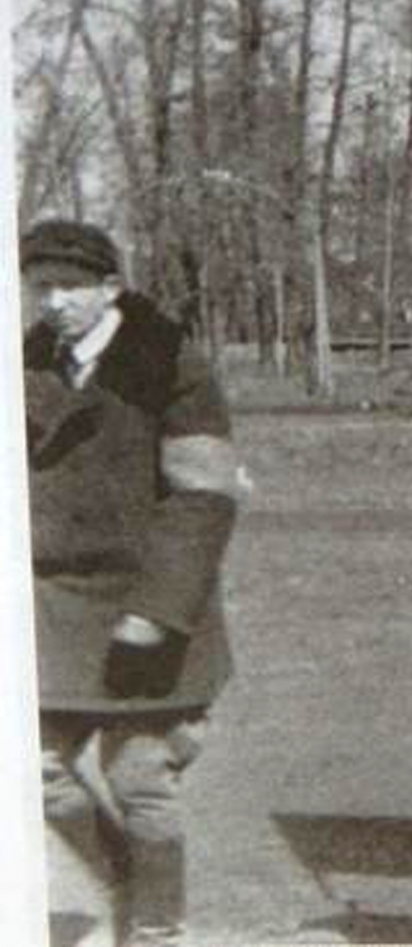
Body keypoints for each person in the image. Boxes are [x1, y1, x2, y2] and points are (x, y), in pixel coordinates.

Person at [22, 219, 241, 947]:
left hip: (153, 603)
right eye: (41, 288)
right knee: (32, 766)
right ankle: (126, 879)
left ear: (111, 288)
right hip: (54, 609)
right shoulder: (24, 361)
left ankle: (155, 928)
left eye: (71, 287)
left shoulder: (168, 363)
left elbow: (203, 497)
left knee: (141, 773)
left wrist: (156, 609)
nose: (53, 302)